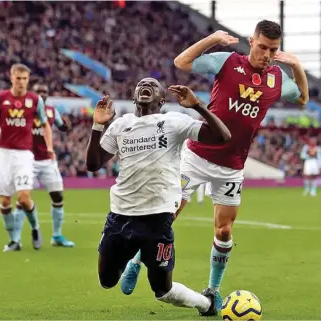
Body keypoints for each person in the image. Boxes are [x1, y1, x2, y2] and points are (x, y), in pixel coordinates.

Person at [121, 20, 309, 309]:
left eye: (273, 50)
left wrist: (295, 65)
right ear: (251, 42)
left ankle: (212, 289)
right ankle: (135, 262)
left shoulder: (276, 79)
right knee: (167, 215)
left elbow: (304, 98)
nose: (267, 55)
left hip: (233, 165)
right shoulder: (228, 62)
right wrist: (213, 38)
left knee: (223, 230)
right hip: (196, 155)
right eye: (262, 47)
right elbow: (182, 61)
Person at [86, 78, 231, 317]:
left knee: (163, 290)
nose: (146, 85)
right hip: (120, 217)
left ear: (162, 100)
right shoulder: (121, 124)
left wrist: (197, 106)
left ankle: (206, 304)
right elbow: (93, 164)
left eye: (153, 85)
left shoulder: (173, 121)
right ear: (134, 96)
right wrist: (97, 126)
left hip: (158, 219)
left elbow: (222, 136)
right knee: (106, 281)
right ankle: (135, 254)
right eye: (141, 84)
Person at [0, 64, 54, 252]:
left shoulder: (35, 100)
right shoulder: (0, 97)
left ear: (28, 80)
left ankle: (35, 228)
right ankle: (14, 240)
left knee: (23, 198)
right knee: (5, 201)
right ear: (11, 77)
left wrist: (50, 147)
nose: (21, 82)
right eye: (18, 78)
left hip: (24, 155)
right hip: (4, 154)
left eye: (24, 79)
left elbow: (45, 126)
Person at [13, 83, 75, 247]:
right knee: (22, 199)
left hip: (47, 161)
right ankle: (16, 239)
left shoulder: (51, 111)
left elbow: (63, 126)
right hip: (28, 160)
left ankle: (56, 236)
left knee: (58, 197)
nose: (42, 94)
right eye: (38, 91)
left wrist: (67, 125)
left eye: (45, 91)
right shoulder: (22, 109)